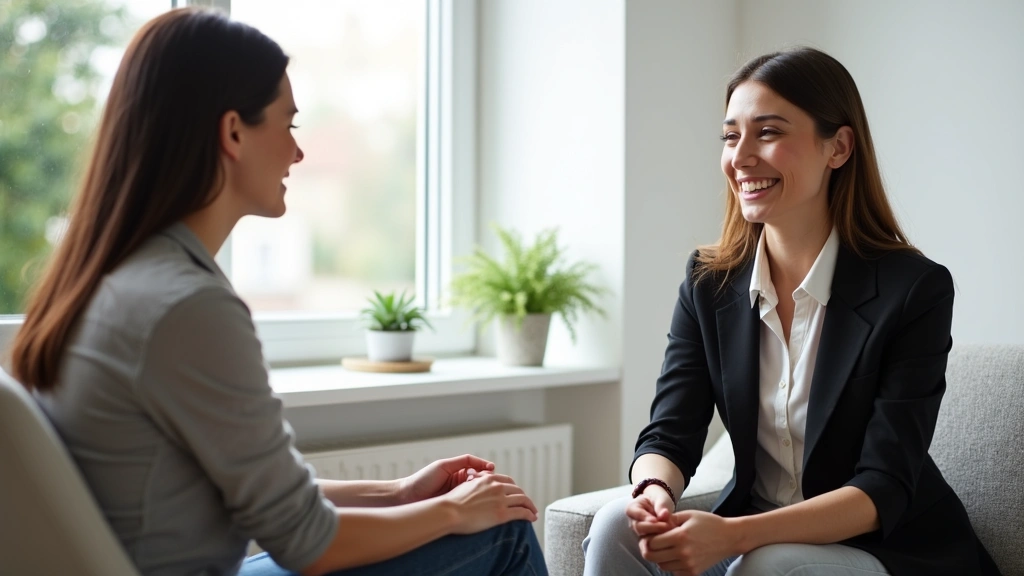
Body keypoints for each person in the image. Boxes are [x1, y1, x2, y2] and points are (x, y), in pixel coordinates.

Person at [10, 7, 546, 576]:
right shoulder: (188, 308)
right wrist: (451, 514)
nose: (298, 152)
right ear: (234, 131)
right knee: (504, 533)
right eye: (288, 125)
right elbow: (309, 542)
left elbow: (261, 490)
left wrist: (398, 492)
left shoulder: (117, 282)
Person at [582, 47, 1001, 576]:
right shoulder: (708, 283)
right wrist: (653, 490)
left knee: (769, 565)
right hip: (754, 539)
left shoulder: (915, 289)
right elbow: (669, 431)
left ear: (839, 147)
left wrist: (734, 535)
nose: (741, 156)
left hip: (884, 548)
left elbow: (882, 487)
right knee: (614, 525)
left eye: (769, 132)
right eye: (731, 136)